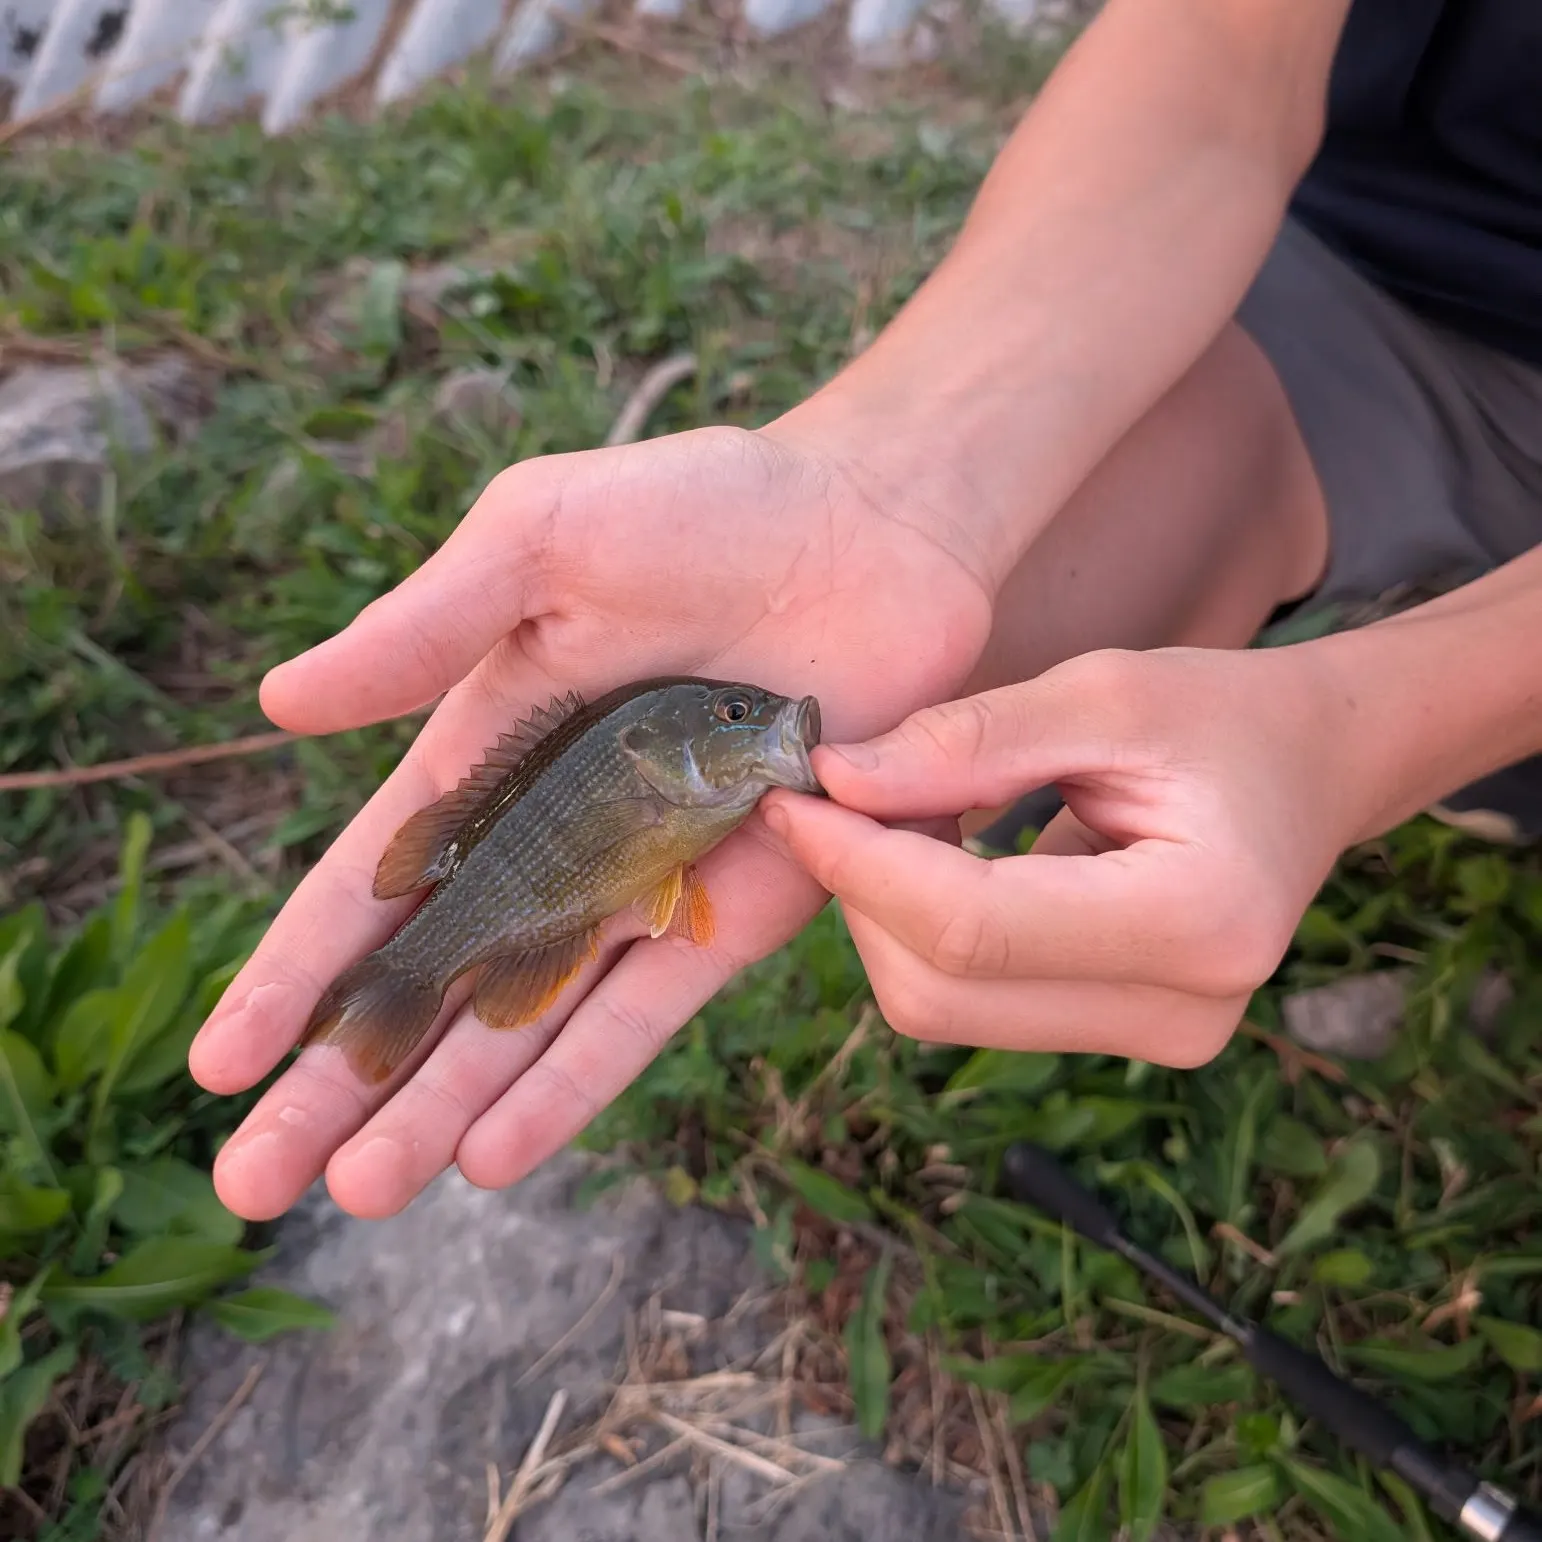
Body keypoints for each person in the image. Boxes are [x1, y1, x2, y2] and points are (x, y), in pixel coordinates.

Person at [190, 0, 1542, 1223]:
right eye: (725, 717)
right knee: (970, 647)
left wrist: (1370, 730)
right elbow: (1220, 59)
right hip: (1334, 254)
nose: (758, 714)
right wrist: (890, 477)